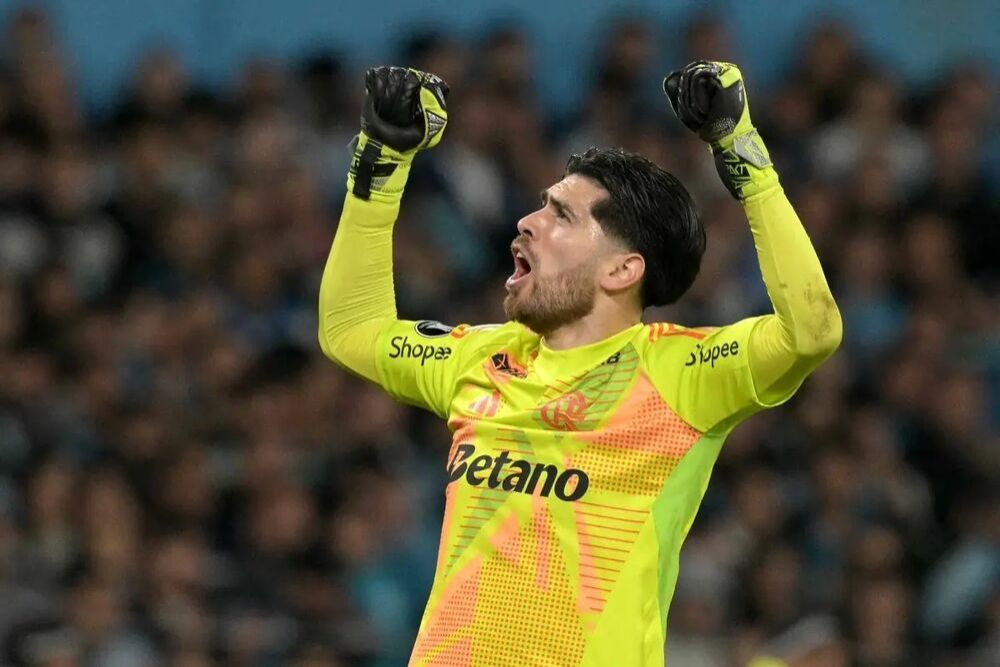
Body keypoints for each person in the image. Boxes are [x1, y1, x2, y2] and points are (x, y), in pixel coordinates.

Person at [318, 62, 842, 666]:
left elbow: (812, 330)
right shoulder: (479, 358)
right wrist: (381, 161)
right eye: (542, 206)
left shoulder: (679, 375)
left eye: (561, 215)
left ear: (623, 270)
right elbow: (352, 329)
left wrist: (741, 152)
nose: (527, 222)